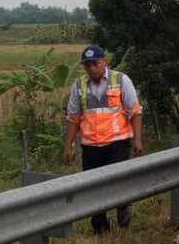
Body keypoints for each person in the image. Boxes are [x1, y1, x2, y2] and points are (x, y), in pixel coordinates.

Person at [62, 45, 144, 232]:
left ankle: (123, 209)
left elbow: (135, 111)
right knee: (93, 187)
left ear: (103, 62)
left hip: (117, 142)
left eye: (95, 64)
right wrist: (68, 146)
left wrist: (138, 139)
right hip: (91, 145)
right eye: (87, 65)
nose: (91, 68)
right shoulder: (80, 85)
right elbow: (73, 117)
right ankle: (100, 226)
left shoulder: (120, 80)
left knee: (118, 182)